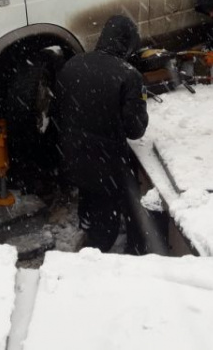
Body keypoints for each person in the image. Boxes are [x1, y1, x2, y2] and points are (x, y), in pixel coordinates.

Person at [54, 15, 149, 252]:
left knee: (88, 192)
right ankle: (98, 253)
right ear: (128, 44)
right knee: (106, 216)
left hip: (70, 153)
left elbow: (58, 108)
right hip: (106, 164)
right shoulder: (129, 74)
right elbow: (135, 130)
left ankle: (85, 223)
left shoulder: (73, 63)